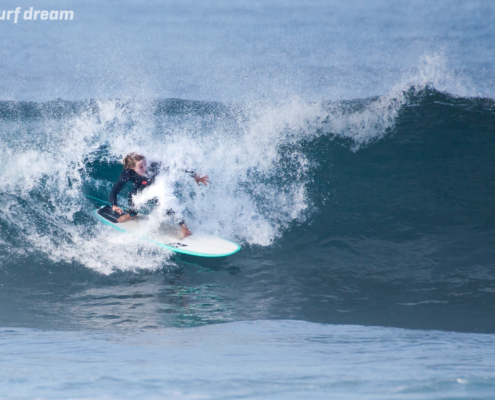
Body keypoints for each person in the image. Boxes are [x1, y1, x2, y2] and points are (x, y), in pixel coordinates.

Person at [109, 152, 210, 237]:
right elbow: (115, 190)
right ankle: (132, 214)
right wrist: (114, 205)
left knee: (165, 201)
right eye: (140, 167)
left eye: (145, 165)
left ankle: (184, 227)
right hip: (142, 185)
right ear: (132, 167)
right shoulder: (127, 173)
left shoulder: (154, 165)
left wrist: (195, 175)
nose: (145, 169)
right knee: (132, 195)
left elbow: (176, 166)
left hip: (157, 183)